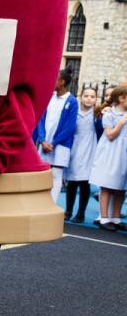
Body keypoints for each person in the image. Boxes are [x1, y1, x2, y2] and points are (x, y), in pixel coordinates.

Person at [34, 69, 79, 204]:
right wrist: (42, 140)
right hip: (45, 143)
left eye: (54, 78)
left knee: (56, 174)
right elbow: (40, 119)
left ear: (62, 82)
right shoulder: (48, 97)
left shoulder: (72, 101)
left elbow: (70, 127)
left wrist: (53, 143)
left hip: (60, 145)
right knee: (43, 173)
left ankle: (51, 204)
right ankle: (39, 202)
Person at [87, 85, 127, 231]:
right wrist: (121, 123)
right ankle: (104, 218)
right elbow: (110, 135)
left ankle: (115, 218)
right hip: (110, 152)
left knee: (121, 187)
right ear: (122, 98)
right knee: (107, 186)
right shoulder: (109, 114)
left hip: (123, 154)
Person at [64, 87, 99, 223]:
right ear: (81, 97)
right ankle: (68, 211)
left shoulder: (97, 114)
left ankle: (81, 213)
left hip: (90, 148)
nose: (89, 99)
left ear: (96, 99)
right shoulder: (75, 112)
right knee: (72, 182)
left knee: (85, 182)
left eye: (92, 96)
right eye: (86, 96)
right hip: (75, 148)